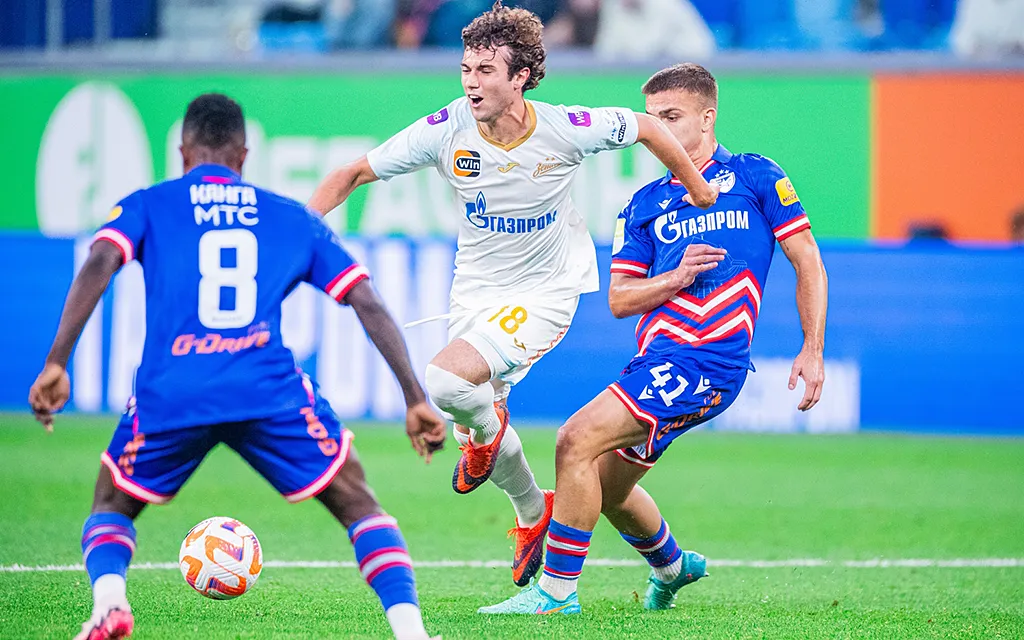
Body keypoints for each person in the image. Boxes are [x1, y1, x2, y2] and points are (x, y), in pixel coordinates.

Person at [306, 1, 719, 588]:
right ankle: (534, 512)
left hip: (547, 291)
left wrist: (698, 188)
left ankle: (497, 458)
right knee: (471, 413)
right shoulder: (446, 129)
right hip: (475, 291)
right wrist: (295, 233)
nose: (471, 82)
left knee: (447, 382)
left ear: (520, 76)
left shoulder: (565, 128)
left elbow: (649, 127)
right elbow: (350, 173)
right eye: (466, 68)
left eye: (485, 70)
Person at [28, 94, 446, 640]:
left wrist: (57, 362)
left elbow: (101, 261)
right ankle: (411, 633)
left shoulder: (149, 204)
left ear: (183, 151)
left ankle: (110, 603)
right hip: (265, 390)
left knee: (111, 502)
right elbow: (365, 300)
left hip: (174, 389)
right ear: (244, 155)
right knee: (359, 505)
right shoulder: (290, 217)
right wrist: (415, 398)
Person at [480, 62, 828, 614]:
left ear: (708, 117)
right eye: (651, 119)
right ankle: (672, 566)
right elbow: (620, 300)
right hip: (657, 361)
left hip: (708, 361)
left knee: (574, 439)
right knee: (605, 487)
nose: (657, 130)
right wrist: (676, 277)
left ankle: (556, 594)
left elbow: (806, 259)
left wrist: (812, 348)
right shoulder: (643, 204)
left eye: (671, 116)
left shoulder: (756, 177)